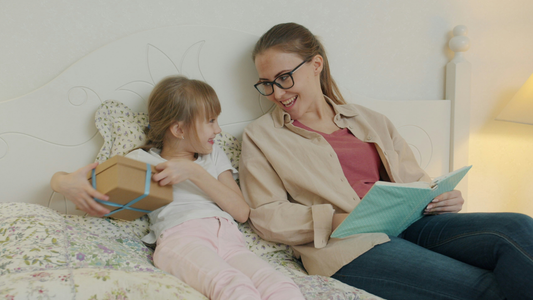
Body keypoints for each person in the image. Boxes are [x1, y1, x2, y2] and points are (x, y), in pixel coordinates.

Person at [239, 22, 533, 300]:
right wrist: (335, 219)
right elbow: (267, 215)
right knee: (487, 286)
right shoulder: (262, 136)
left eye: (284, 78)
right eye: (266, 84)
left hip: (413, 223)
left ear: (316, 65)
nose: (277, 93)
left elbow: (415, 181)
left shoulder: (369, 119)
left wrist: (441, 197)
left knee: (519, 228)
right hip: (350, 245)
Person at [50, 76, 305, 300]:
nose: (218, 129)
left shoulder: (212, 156)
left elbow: (241, 212)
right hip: (182, 239)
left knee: (282, 287)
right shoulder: (144, 162)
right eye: (211, 121)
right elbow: (75, 183)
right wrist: (63, 182)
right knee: (235, 287)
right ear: (179, 129)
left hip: (229, 240)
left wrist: (195, 172)